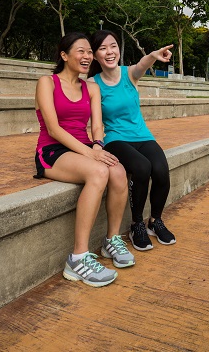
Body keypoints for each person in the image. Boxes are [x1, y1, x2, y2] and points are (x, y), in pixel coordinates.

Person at [34, 32, 134, 287]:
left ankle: (111, 241)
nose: (88, 56)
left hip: (85, 147)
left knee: (119, 172)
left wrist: (98, 145)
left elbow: (97, 126)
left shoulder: (91, 86)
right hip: (53, 150)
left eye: (90, 51)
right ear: (64, 55)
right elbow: (54, 129)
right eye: (81, 51)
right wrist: (90, 154)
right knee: (99, 172)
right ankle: (77, 258)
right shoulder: (47, 82)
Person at [88, 30, 176, 251]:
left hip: (142, 135)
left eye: (113, 46)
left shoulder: (129, 75)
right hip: (115, 138)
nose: (110, 52)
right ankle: (136, 224)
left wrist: (154, 55)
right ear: (96, 55)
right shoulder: (92, 83)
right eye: (103, 48)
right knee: (141, 167)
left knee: (161, 170)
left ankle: (154, 221)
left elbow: (141, 64)